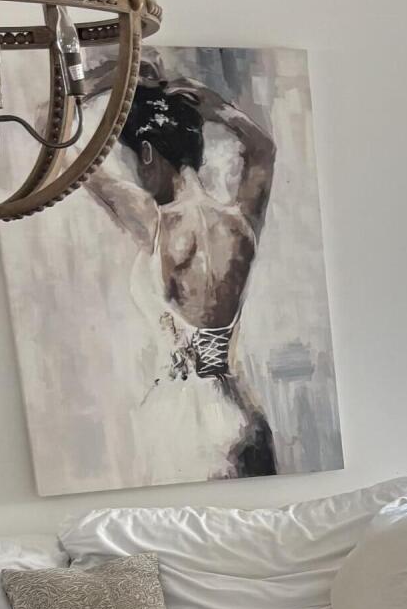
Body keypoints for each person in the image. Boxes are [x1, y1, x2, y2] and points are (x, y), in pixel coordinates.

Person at [81, 51, 279, 477]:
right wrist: (217, 108)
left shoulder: (154, 222)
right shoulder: (241, 221)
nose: (135, 174)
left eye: (134, 161)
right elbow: (263, 150)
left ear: (147, 154)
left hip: (183, 421)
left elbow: (74, 163)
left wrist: (108, 82)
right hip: (240, 416)